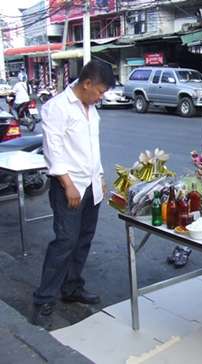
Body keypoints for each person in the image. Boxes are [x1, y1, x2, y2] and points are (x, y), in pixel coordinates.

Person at [32, 60, 116, 330]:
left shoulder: (91, 108)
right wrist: (68, 185)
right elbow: (53, 151)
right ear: (87, 83)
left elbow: (92, 147)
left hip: (90, 183)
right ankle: (44, 300)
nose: (101, 97)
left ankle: (71, 287)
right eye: (101, 91)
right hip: (68, 185)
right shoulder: (57, 107)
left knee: (83, 239)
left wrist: (100, 176)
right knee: (65, 242)